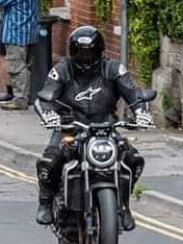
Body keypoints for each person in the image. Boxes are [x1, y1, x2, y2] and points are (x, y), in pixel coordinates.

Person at [34, 26, 150, 230]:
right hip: (70, 127)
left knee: (133, 160)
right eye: (80, 52)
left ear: (100, 51)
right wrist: (49, 114)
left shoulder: (113, 69)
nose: (85, 57)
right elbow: (45, 97)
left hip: (105, 128)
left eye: (90, 52)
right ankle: (45, 203)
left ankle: (123, 205)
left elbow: (134, 94)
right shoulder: (62, 69)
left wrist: (141, 113)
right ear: (72, 51)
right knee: (49, 162)